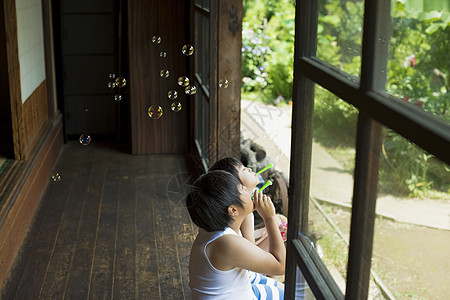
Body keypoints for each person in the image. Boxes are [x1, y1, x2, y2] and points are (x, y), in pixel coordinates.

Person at [186, 170, 285, 299]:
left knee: (283, 289)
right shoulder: (227, 243)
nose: (249, 191)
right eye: (243, 189)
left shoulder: (212, 230)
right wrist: (269, 218)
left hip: (240, 290)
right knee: (295, 294)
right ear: (233, 210)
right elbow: (280, 266)